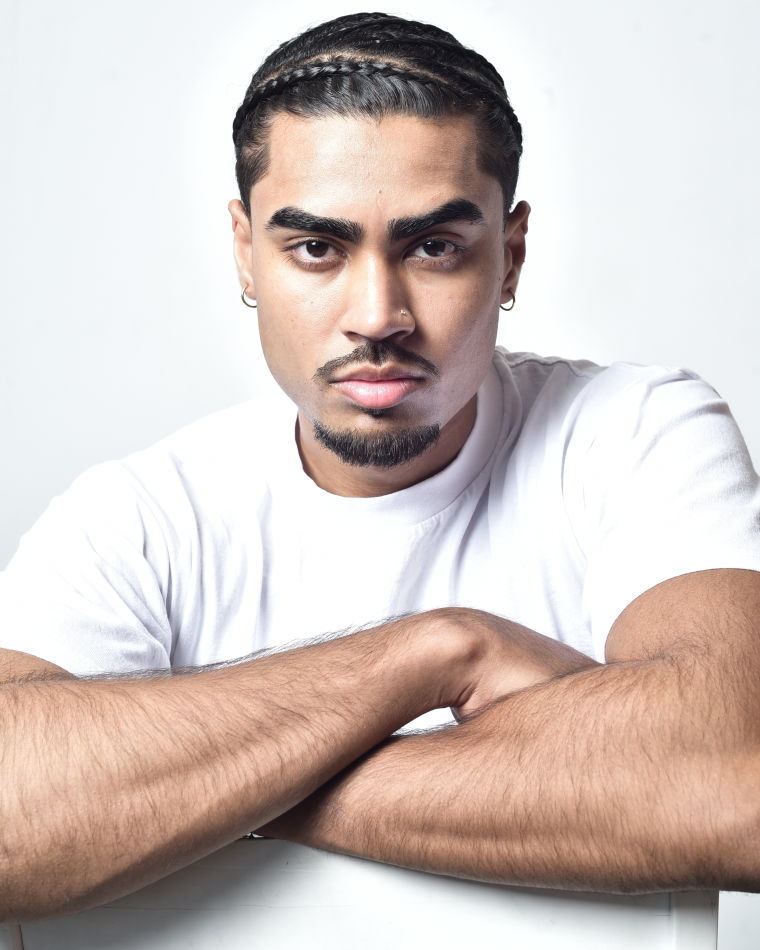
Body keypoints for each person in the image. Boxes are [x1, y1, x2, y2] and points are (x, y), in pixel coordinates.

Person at [1, 9, 759, 923]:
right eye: (316, 248)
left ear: (510, 257)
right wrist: (439, 652)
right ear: (246, 253)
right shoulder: (141, 518)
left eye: (434, 247)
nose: (376, 315)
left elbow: (737, 784)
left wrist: (204, 789)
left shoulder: (634, 433)